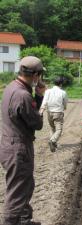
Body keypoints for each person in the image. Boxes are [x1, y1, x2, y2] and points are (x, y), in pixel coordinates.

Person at [0, 56, 45, 225]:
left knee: (25, 184)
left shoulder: (11, 87)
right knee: (17, 190)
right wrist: (39, 97)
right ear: (35, 75)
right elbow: (37, 123)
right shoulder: (23, 95)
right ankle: (11, 222)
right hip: (18, 147)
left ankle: (24, 220)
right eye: (39, 75)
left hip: (8, 144)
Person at [39, 77, 68, 152]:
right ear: (61, 84)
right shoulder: (63, 92)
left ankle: (53, 144)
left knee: (52, 128)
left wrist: (41, 111)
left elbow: (44, 101)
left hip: (49, 112)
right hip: (58, 112)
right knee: (59, 129)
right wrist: (64, 107)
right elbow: (65, 103)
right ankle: (52, 141)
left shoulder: (48, 91)